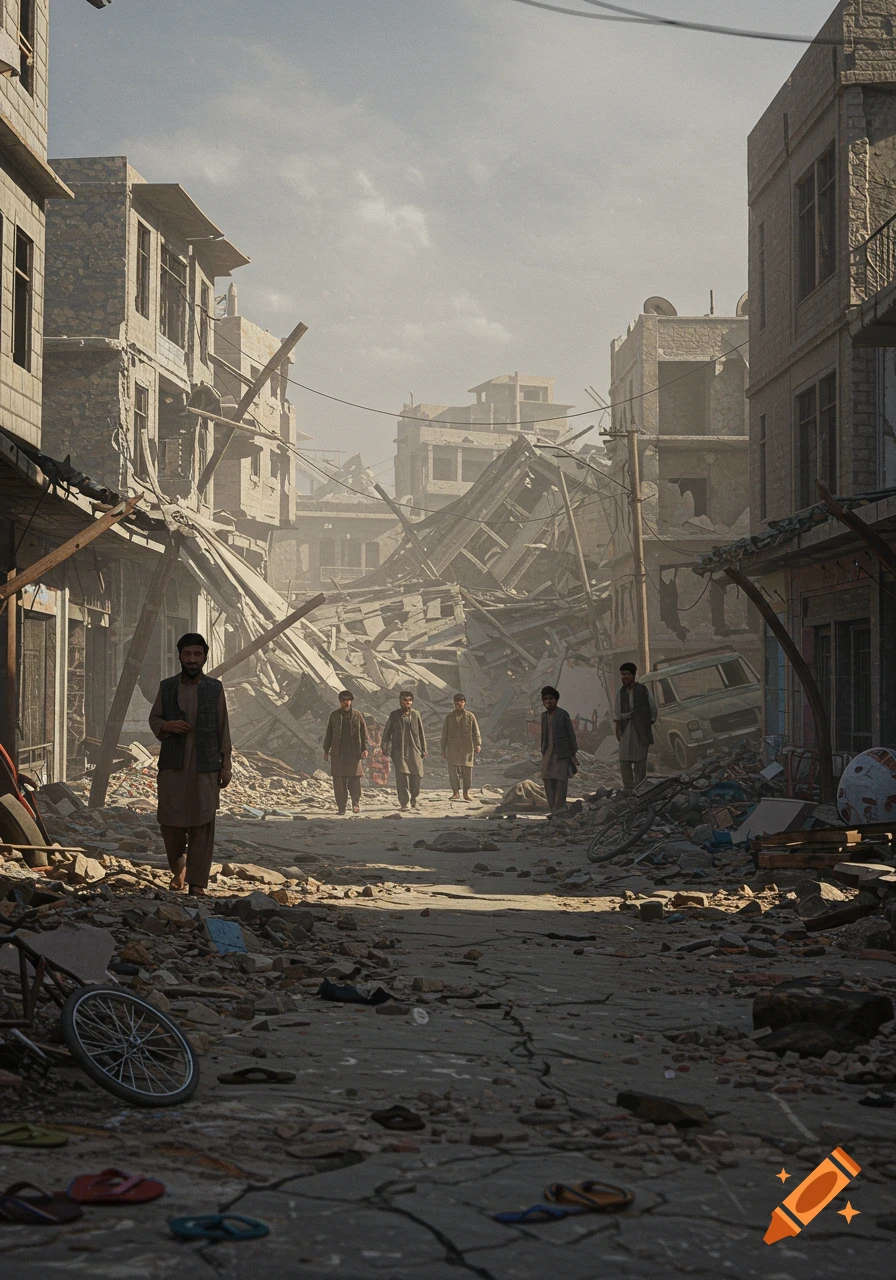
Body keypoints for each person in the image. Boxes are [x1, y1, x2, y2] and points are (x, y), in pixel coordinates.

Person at [149, 632, 231, 896]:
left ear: (205, 657)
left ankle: (197, 883)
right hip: (173, 767)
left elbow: (223, 728)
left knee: (203, 823)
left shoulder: (214, 689)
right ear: (180, 657)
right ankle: (179, 866)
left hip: (205, 767)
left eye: (197, 654)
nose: (192, 659)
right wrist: (168, 725)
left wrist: (226, 765)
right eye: (187, 654)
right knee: (170, 823)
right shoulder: (167, 687)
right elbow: (154, 719)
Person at [323, 690, 368, 815]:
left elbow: (363, 733)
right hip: (338, 753)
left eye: (348, 700)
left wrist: (364, 749)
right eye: (343, 700)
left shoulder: (358, 715)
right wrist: (326, 750)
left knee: (354, 780)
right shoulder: (334, 716)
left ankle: (355, 803)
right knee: (339, 781)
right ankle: (341, 808)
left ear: (351, 701)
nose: (346, 703)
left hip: (354, 753)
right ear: (340, 702)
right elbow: (329, 734)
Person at [381, 690, 427, 811]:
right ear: (400, 701)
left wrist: (424, 749)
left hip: (415, 750)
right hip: (399, 751)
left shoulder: (416, 714)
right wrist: (384, 748)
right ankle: (404, 802)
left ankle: (414, 797)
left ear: (412, 702)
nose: (407, 702)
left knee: (417, 775)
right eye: (405, 700)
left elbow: (421, 733)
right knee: (402, 777)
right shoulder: (394, 715)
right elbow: (386, 733)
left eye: (409, 700)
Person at [615, 662, 657, 791]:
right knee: (624, 760)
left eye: (627, 674)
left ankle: (639, 789)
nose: (624, 677)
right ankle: (628, 788)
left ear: (633, 675)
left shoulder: (643, 690)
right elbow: (617, 712)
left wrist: (644, 723)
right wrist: (618, 727)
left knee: (640, 760)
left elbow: (653, 710)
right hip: (626, 728)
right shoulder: (621, 692)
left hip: (640, 730)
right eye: (622, 675)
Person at [540, 685, 578, 814]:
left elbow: (570, 734)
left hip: (562, 753)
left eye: (551, 699)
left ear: (556, 700)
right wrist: (543, 750)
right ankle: (553, 809)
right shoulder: (544, 716)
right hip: (548, 752)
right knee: (547, 778)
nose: (548, 701)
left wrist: (572, 753)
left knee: (561, 780)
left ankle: (559, 809)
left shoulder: (562, 714)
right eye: (546, 699)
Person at [440, 693, 482, 802]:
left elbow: (476, 731)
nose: (460, 704)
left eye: (462, 702)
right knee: (452, 770)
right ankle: (455, 793)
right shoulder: (449, 717)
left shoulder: (470, 716)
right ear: (454, 703)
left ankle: (466, 793)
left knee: (467, 769)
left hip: (467, 747)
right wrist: (443, 748)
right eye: (458, 702)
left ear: (464, 703)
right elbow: (444, 734)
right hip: (452, 748)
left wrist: (477, 744)